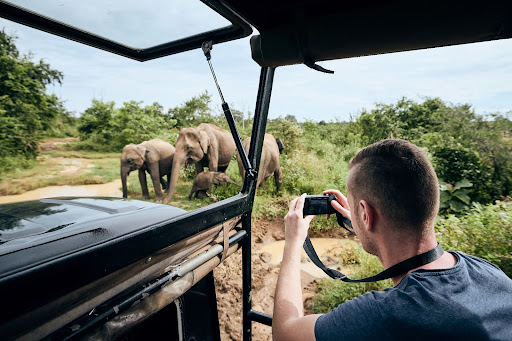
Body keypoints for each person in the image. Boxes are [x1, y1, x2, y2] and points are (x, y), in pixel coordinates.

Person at [272, 139, 512, 341]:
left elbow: (285, 333)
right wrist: (359, 222)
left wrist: (294, 242)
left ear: (366, 214)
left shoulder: (389, 312)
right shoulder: (489, 272)